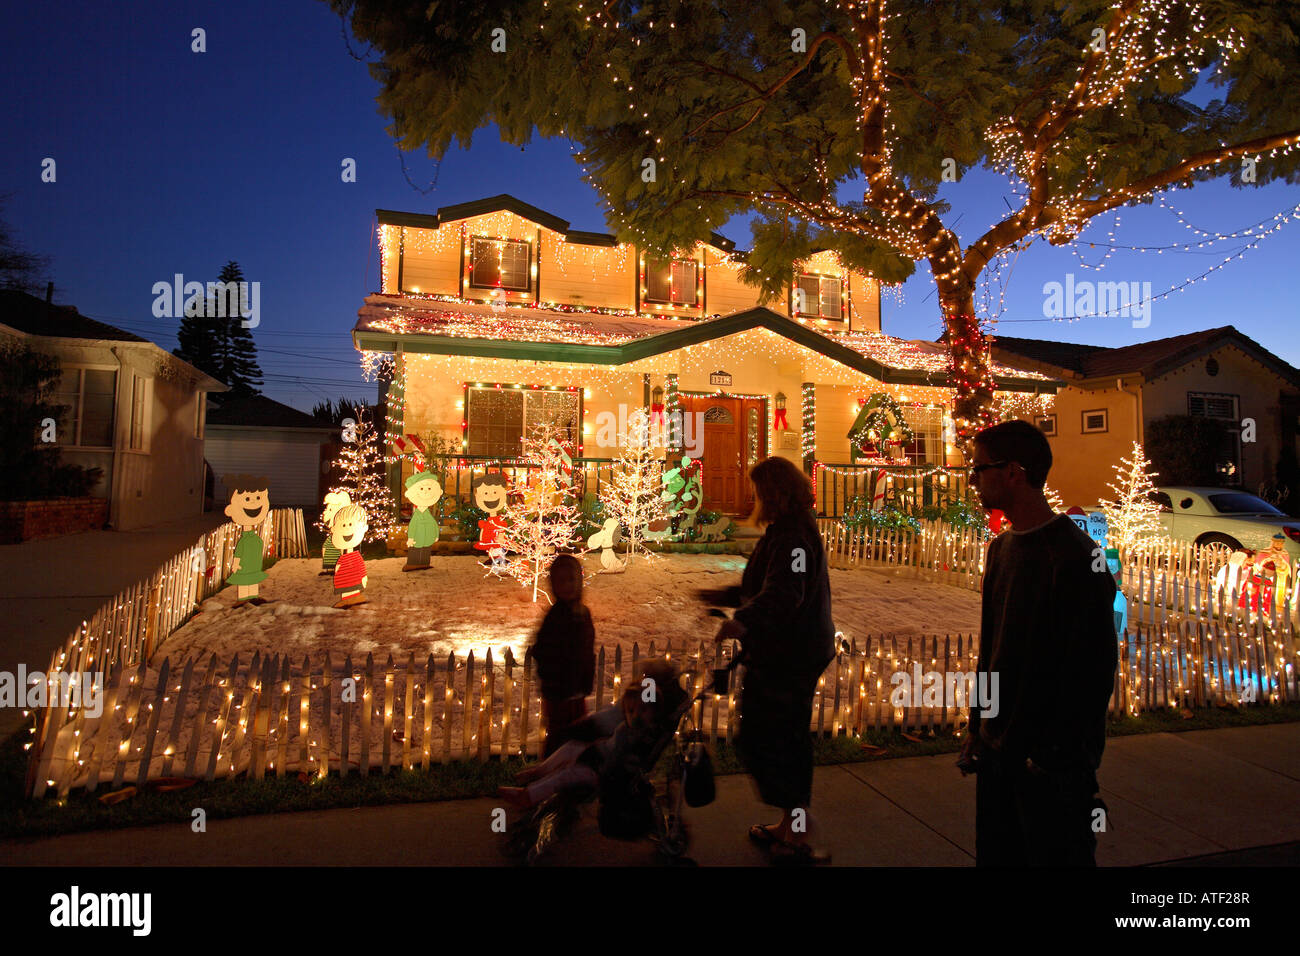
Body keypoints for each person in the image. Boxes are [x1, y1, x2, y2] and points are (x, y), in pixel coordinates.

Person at [959, 419, 1119, 867]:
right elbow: (992, 648)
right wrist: (978, 724)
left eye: (979, 468)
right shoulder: (1002, 549)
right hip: (997, 754)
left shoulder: (1075, 556)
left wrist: (1054, 756)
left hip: (1049, 768)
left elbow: (1092, 669)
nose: (973, 478)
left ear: (1014, 471)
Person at [714, 456, 835, 864]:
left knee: (782, 740)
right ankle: (789, 825)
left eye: (759, 490)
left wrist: (743, 620)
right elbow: (767, 584)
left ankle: (798, 833)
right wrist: (727, 598)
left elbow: (788, 591)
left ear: (774, 492)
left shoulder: (796, 538)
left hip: (792, 655)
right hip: (784, 651)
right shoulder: (784, 533)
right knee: (776, 737)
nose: (755, 498)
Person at [528, 554, 595, 755]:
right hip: (558, 692)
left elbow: (587, 650)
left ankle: (572, 771)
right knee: (559, 737)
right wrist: (551, 677)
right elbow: (541, 649)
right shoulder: (555, 616)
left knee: (577, 735)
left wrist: (586, 679)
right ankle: (551, 773)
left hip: (577, 690)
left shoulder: (583, 614)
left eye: (572, 579)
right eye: (561, 581)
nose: (568, 586)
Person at [223, 475, 271, 605]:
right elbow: (239, 551)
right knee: (245, 580)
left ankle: (253, 596)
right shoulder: (244, 540)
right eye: (248, 499)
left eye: (258, 498)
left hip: (253, 564)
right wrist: (236, 563)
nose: (253, 503)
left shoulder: (255, 538)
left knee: (253, 578)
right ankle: (244, 598)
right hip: (244, 565)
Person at [330, 503, 369, 608]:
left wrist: (363, 577)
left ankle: (353, 597)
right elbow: (339, 567)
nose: (347, 528)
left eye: (350, 524)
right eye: (343, 525)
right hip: (344, 581)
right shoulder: (343, 557)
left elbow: (360, 567)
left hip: (354, 580)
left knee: (352, 587)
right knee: (346, 589)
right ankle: (347, 598)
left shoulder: (355, 557)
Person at [402, 471, 442, 571]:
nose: (425, 492)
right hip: (417, 538)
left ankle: (424, 562)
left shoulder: (428, 514)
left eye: (429, 488)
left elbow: (433, 524)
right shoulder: (417, 515)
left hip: (428, 537)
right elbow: (412, 526)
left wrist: (436, 534)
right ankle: (412, 563)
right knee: (415, 550)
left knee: (426, 549)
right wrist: (410, 537)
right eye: (421, 488)